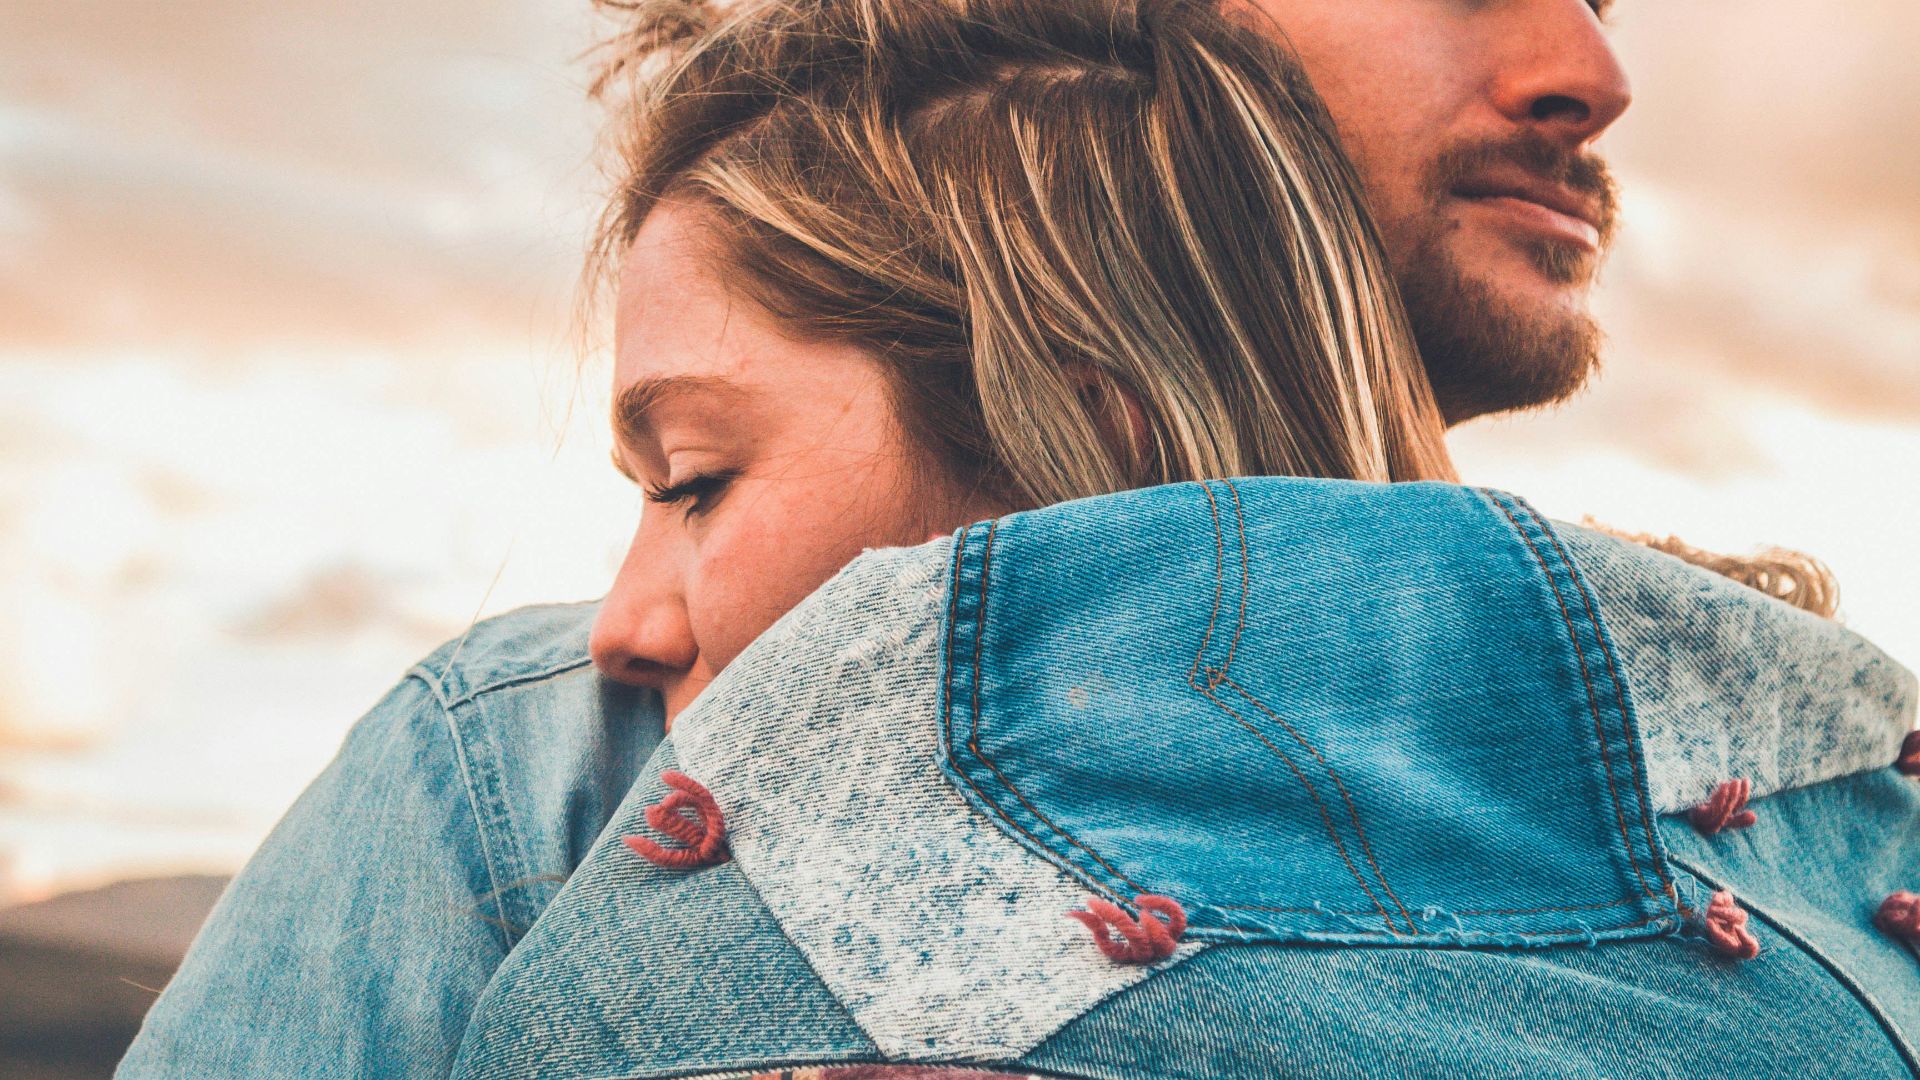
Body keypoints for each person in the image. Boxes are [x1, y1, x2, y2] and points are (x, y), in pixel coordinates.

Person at [117, 0, 1915, 1077]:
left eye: (696, 478)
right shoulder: (536, 766)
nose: (1594, 66)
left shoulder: (1827, 794)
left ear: (1072, 380)